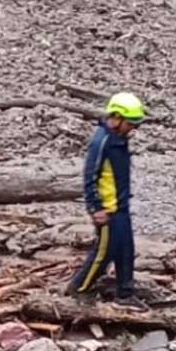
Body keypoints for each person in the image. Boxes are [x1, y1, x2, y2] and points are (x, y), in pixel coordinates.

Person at [66, 92, 149, 310]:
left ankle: (125, 293)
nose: (133, 129)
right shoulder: (102, 141)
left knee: (125, 251)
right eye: (131, 124)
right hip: (107, 210)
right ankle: (79, 288)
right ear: (117, 117)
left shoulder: (119, 138)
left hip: (121, 207)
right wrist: (95, 208)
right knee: (103, 253)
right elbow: (90, 176)